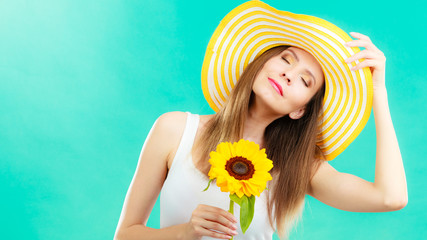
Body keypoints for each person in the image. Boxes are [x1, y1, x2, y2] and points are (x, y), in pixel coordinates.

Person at [114, 1, 407, 239]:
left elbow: (390, 198)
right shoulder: (175, 129)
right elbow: (125, 235)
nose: (289, 74)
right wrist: (184, 233)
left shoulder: (298, 168)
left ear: (300, 110)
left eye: (305, 81)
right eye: (286, 59)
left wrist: (377, 91)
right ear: (261, 63)